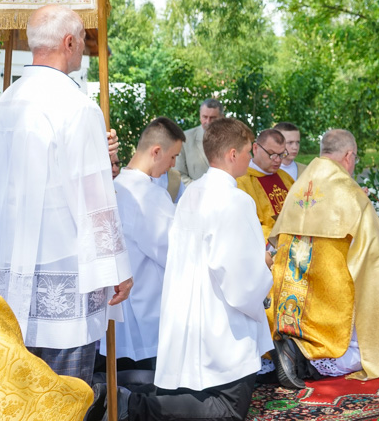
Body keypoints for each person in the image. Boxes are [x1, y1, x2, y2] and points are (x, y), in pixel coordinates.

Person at [86, 118, 274, 421]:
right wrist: (263, 268)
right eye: (249, 151)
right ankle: (126, 404)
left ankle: (120, 397)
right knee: (227, 409)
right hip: (220, 315)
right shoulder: (235, 200)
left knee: (186, 389)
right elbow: (241, 283)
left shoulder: (194, 192)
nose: (252, 158)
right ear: (232, 154)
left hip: (189, 303)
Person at [0, 4, 133, 385]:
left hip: (8, 274)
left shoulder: (4, 103)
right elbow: (93, 197)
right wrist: (117, 269)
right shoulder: (77, 107)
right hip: (64, 271)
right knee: (64, 396)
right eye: (83, 41)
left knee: (15, 397)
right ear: (68, 42)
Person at [267, 129, 379, 388]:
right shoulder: (348, 192)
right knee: (370, 352)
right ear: (349, 155)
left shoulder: (300, 184)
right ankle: (300, 358)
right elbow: (372, 251)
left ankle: (286, 346)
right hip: (329, 295)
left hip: (293, 291)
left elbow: (277, 237)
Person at [101, 117, 185, 371]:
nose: (172, 165)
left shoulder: (115, 185)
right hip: (148, 312)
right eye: (172, 157)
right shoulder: (147, 194)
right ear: (156, 151)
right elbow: (174, 251)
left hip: (123, 311)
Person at [236, 129, 294, 242]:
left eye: (282, 154)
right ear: (255, 148)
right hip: (266, 248)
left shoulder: (285, 178)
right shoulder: (242, 181)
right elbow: (247, 225)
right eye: (272, 154)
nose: (278, 160)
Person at [175, 98, 223, 185]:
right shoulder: (185, 139)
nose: (208, 122)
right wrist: (199, 190)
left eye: (213, 118)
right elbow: (178, 174)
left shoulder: (231, 139)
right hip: (194, 195)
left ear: (221, 117)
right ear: (200, 116)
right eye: (204, 117)